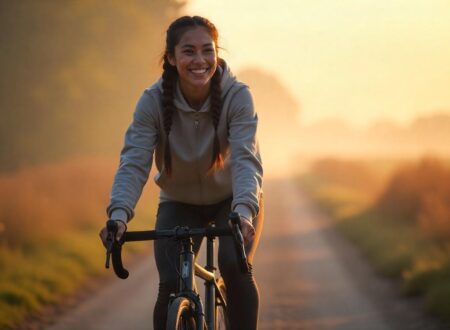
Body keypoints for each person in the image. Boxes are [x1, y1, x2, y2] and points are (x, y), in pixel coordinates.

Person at [99, 15, 263, 330]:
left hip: (233, 200)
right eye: (188, 51)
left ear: (217, 53)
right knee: (171, 283)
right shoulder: (151, 102)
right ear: (172, 58)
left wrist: (244, 212)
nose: (199, 60)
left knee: (235, 266)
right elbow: (134, 161)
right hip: (179, 201)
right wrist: (118, 215)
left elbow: (246, 158)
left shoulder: (237, 95)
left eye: (207, 50)